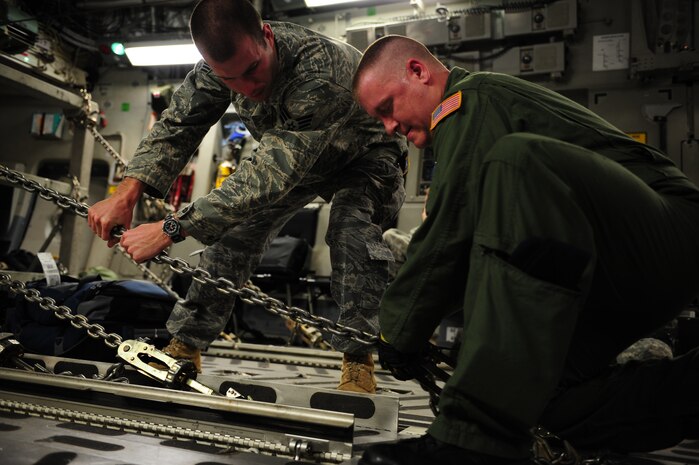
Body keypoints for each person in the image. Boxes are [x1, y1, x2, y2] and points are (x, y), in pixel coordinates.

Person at [352, 35, 699, 464]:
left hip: (674, 230)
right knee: (530, 398)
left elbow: (449, 233)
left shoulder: (470, 101)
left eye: (387, 108)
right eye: (379, 119)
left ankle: (468, 447)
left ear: (418, 72)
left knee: (515, 157)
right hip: (617, 262)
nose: (389, 127)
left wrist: (397, 330)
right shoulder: (460, 132)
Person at [87, 0, 407, 394]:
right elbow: (177, 125)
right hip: (295, 157)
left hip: (365, 157)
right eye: (230, 79)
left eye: (253, 69)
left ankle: (358, 361)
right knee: (233, 233)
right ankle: (185, 346)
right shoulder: (219, 70)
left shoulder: (320, 73)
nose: (248, 87)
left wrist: (172, 228)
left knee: (349, 229)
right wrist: (126, 192)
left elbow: (271, 175)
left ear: (267, 37)